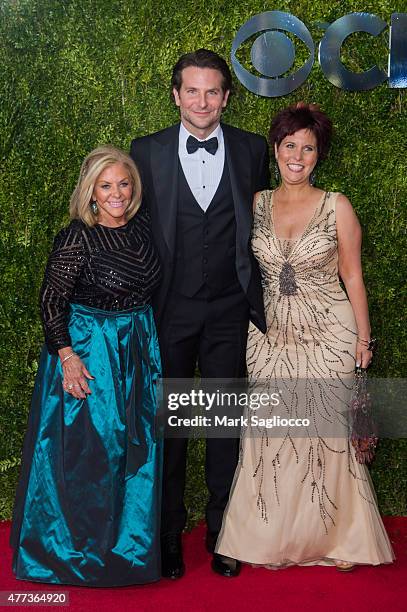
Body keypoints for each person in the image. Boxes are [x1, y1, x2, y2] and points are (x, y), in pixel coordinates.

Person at [216, 103, 394, 570]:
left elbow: (353, 277)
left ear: (319, 155)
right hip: (270, 336)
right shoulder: (254, 203)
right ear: (275, 149)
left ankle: (339, 537)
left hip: (329, 334)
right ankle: (269, 536)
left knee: (328, 437)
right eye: (290, 145)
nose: (297, 155)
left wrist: (364, 339)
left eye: (308, 148)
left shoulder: (337, 205)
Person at [130, 49, 270, 578]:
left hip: (230, 311)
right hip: (168, 310)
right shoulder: (146, 151)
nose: (202, 101)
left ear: (226, 97)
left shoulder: (253, 149)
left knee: (222, 424)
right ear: (176, 95)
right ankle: (167, 533)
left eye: (212, 91)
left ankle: (222, 530)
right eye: (192, 90)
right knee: (169, 425)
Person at [10, 146, 163, 586]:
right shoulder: (78, 235)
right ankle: (73, 555)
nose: (117, 193)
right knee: (90, 455)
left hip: (136, 348)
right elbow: (51, 300)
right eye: (106, 185)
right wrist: (67, 357)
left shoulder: (142, 227)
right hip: (90, 352)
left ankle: (127, 551)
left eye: (123, 183)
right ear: (91, 191)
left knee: (137, 451)